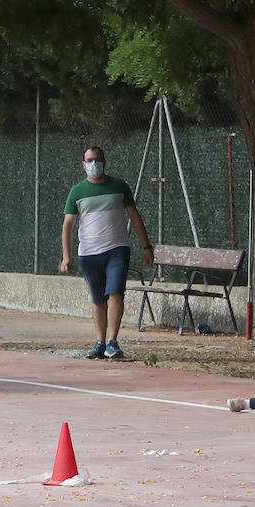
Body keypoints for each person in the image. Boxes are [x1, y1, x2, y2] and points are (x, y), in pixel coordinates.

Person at [59, 146, 154, 360]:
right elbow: (68, 226)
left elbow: (135, 217)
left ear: (104, 162)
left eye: (97, 160)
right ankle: (100, 342)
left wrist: (147, 247)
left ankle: (112, 341)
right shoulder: (77, 191)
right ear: (83, 164)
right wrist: (66, 256)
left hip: (117, 249)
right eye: (89, 161)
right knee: (98, 299)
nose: (94, 164)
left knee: (116, 293)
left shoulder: (120, 186)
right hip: (89, 254)